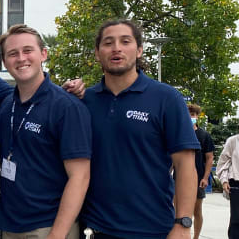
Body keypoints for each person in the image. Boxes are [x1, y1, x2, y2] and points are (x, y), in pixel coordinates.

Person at [81, 19, 199, 239]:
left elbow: (185, 165)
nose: (116, 47)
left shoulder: (166, 98)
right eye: (108, 42)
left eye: (125, 41)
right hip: (94, 230)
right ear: (97, 53)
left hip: (153, 229)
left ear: (139, 50)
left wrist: (183, 224)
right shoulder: (84, 101)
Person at [0, 24, 92, 239]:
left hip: (49, 227)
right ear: (4, 62)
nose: (21, 58)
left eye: (28, 50)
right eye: (13, 53)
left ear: (43, 54)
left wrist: (57, 235)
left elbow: (80, 177)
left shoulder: (67, 107)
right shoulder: (6, 105)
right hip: (9, 226)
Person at [187, 104, 215, 239]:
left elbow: (210, 158)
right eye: (188, 114)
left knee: (196, 210)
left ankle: (196, 237)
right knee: (177, 210)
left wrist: (205, 177)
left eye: (193, 114)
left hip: (198, 178)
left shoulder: (204, 135)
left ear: (197, 116)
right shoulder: (179, 133)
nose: (190, 117)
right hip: (179, 178)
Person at [218, 134, 239, 239]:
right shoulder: (233, 141)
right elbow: (223, 163)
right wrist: (224, 181)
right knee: (236, 220)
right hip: (236, 184)